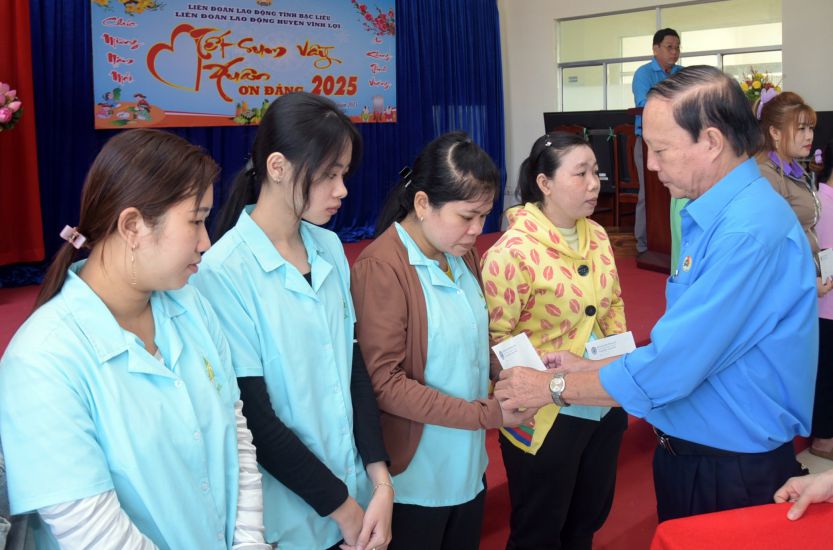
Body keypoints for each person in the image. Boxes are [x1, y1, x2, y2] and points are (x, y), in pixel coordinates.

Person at [494, 65, 818, 522]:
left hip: (726, 468)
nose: (650, 165)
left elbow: (674, 365)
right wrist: (591, 367)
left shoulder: (746, 232)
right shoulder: (719, 215)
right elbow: (690, 345)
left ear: (711, 141)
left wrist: (552, 386)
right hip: (702, 454)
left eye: (660, 150)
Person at [0, 129, 269, 549]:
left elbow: (235, 432)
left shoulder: (192, 306)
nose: (206, 242)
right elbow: (94, 533)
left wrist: (250, 542)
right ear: (132, 226)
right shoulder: (42, 360)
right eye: (195, 220)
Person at [191, 92, 393, 550]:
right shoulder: (223, 271)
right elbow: (255, 417)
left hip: (358, 501)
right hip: (294, 519)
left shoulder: (330, 249)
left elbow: (354, 371)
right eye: (328, 175)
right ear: (278, 167)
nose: (342, 190)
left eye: (344, 174)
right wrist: (342, 508)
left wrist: (380, 481)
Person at [350, 132, 535, 550]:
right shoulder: (382, 267)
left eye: (484, 216)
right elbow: (385, 383)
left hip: (467, 465)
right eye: (467, 216)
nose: (477, 230)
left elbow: (473, 336)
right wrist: (485, 414)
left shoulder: (461, 252)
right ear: (422, 204)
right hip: (416, 477)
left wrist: (513, 370)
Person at [481, 132, 628, 549]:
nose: (594, 183)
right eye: (580, 174)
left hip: (602, 399)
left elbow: (614, 306)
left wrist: (619, 369)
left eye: (595, 172)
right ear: (544, 183)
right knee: (539, 530)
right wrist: (526, 392)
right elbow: (496, 338)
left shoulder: (597, 235)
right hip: (545, 414)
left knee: (587, 519)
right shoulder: (511, 251)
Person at [757, 92, 833, 460]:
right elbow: (769, 247)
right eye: (800, 129)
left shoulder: (793, 169)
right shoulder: (764, 174)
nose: (809, 136)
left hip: (804, 283)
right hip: (784, 291)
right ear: (774, 132)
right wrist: (805, 282)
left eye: (810, 129)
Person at [632, 28, 683, 257]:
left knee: (679, 192)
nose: (675, 52)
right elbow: (644, 103)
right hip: (649, 143)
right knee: (648, 194)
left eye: (677, 47)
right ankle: (644, 245)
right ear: (655, 49)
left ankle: (676, 243)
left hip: (678, 142)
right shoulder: (643, 73)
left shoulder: (682, 73)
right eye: (669, 47)